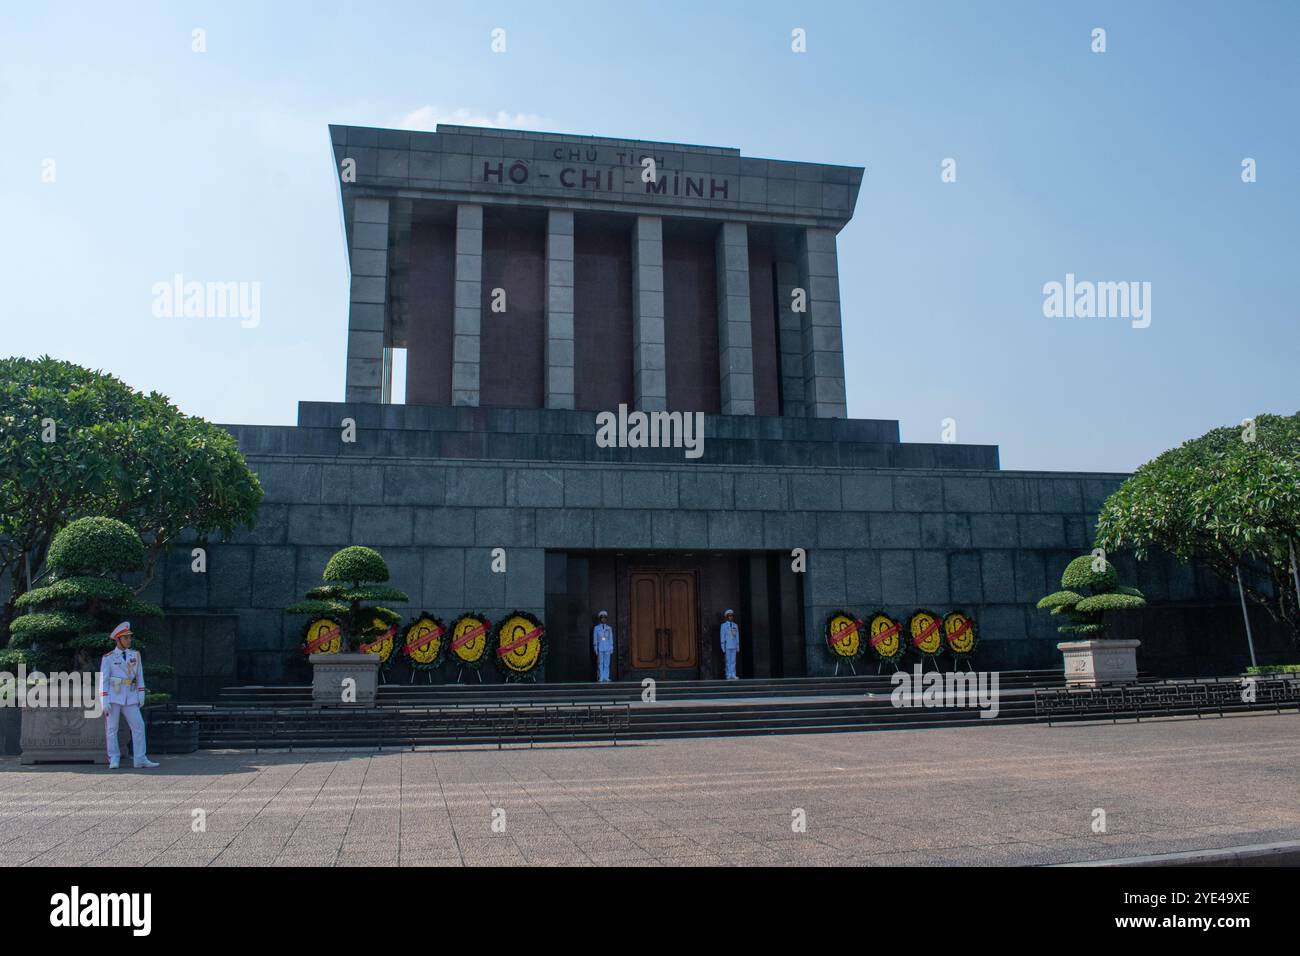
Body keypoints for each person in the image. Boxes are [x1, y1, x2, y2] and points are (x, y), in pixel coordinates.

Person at [100, 622, 158, 769]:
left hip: (131, 696)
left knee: (138, 726)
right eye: (125, 638)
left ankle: (140, 758)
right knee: (112, 729)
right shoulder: (108, 658)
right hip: (114, 696)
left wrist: (141, 693)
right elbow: (104, 680)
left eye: (129, 637)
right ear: (118, 639)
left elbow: (139, 676)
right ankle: (114, 758)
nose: (129, 640)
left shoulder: (135, 655)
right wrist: (104, 699)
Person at [592, 611, 614, 682]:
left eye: (605, 618)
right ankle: (601, 676)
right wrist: (595, 648)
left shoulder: (609, 628)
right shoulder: (596, 628)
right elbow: (595, 638)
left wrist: (611, 647)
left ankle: (606, 676)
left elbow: (611, 638)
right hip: (600, 647)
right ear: (600, 619)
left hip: (607, 647)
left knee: (607, 663)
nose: (603, 619)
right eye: (602, 618)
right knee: (600, 663)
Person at [720, 609, 740, 680]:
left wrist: (738, 646)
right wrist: (723, 646)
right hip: (727, 645)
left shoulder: (735, 625)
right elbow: (722, 636)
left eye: (732, 616)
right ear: (727, 617)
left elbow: (737, 636)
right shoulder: (723, 626)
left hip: (734, 645)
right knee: (728, 661)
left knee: (733, 661)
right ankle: (728, 674)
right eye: (729, 616)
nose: (731, 617)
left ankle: (733, 674)